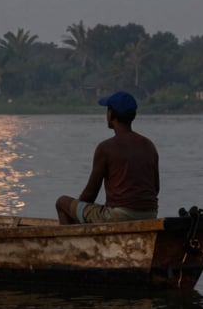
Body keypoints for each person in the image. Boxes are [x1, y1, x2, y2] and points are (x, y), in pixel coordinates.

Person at [56, 91, 159, 224]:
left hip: (119, 216)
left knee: (62, 202)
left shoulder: (106, 148)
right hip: (150, 214)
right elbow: (155, 188)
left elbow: (90, 195)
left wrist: (77, 211)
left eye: (107, 110)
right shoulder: (149, 145)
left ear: (111, 114)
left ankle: (68, 243)